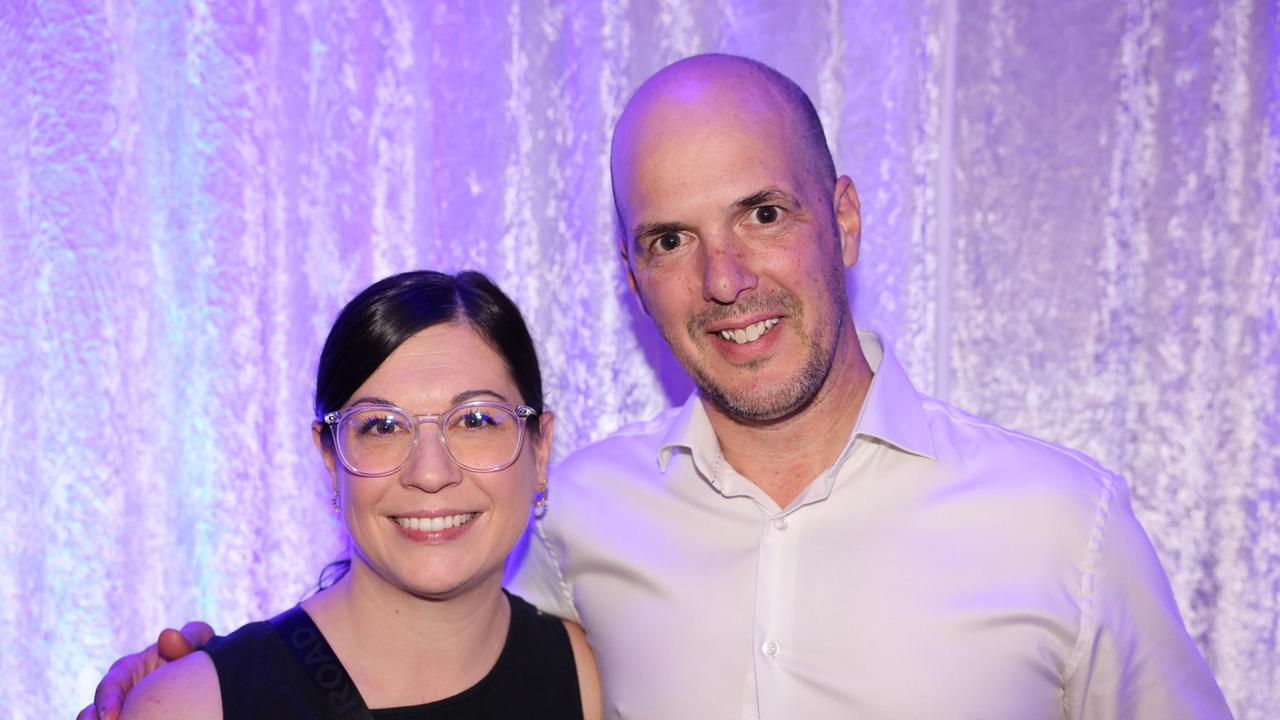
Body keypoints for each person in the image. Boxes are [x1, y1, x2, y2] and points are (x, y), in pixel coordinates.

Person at [84, 55, 1231, 719]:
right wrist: (183, 685)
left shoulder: (1056, 523)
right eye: (671, 238)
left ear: (841, 215)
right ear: (633, 275)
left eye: (763, 215)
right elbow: (411, 605)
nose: (725, 278)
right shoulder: (569, 512)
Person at [111, 271, 602, 719]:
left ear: (540, 451)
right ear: (331, 462)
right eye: (382, 426)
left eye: (475, 420)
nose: (430, 473)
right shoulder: (191, 706)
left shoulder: (583, 673)